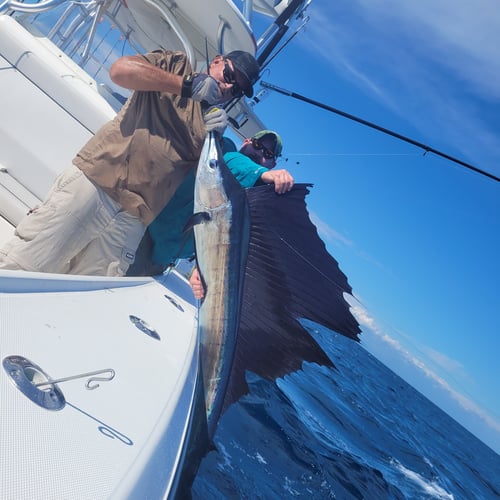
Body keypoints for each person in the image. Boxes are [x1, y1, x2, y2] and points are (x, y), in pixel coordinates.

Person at [0, 49, 260, 276]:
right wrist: (186, 85)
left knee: (79, 300)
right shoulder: (177, 65)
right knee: (22, 265)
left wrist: (214, 137)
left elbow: (194, 181)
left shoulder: (210, 123)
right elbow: (120, 71)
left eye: (236, 89)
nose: (228, 88)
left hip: (134, 219)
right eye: (229, 76)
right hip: (97, 185)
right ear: (216, 62)